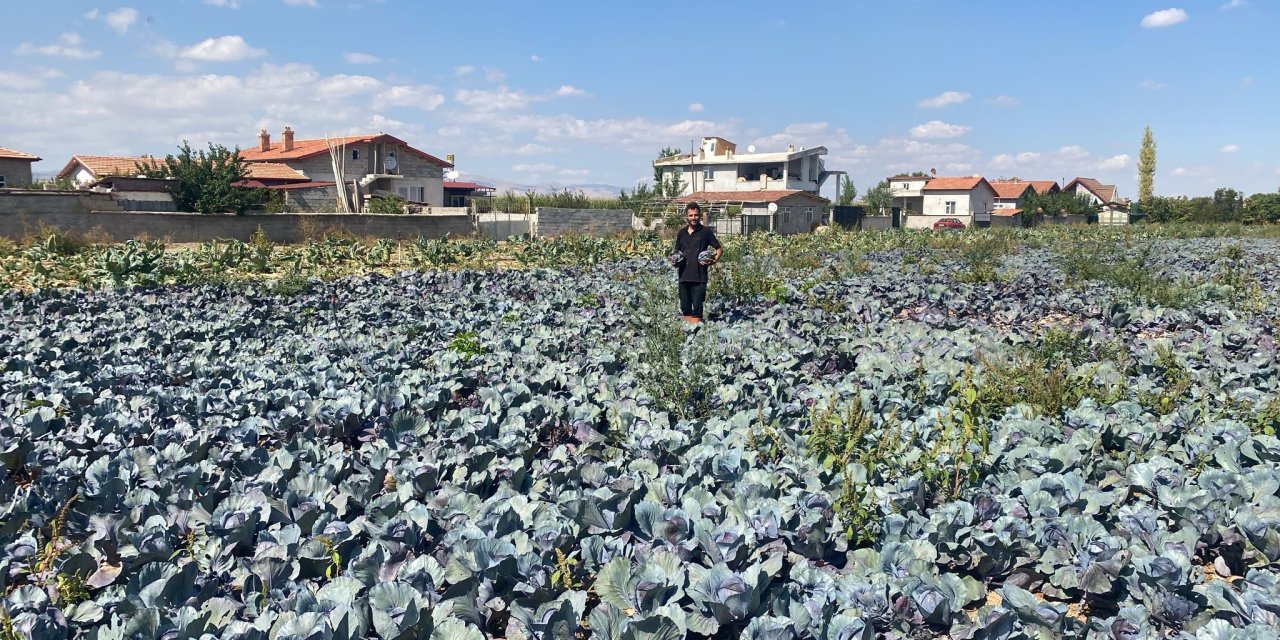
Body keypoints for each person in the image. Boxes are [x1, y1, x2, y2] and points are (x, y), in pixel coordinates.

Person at [673, 202, 723, 324]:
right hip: (683, 277)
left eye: (696, 215)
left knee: (697, 309)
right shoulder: (682, 233)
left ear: (699, 216)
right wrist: (674, 261)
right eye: (691, 215)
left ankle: (696, 334)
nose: (693, 218)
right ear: (686, 216)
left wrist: (713, 260)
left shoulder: (705, 232)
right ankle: (688, 334)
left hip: (699, 277)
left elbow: (719, 248)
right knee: (685, 309)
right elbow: (677, 252)